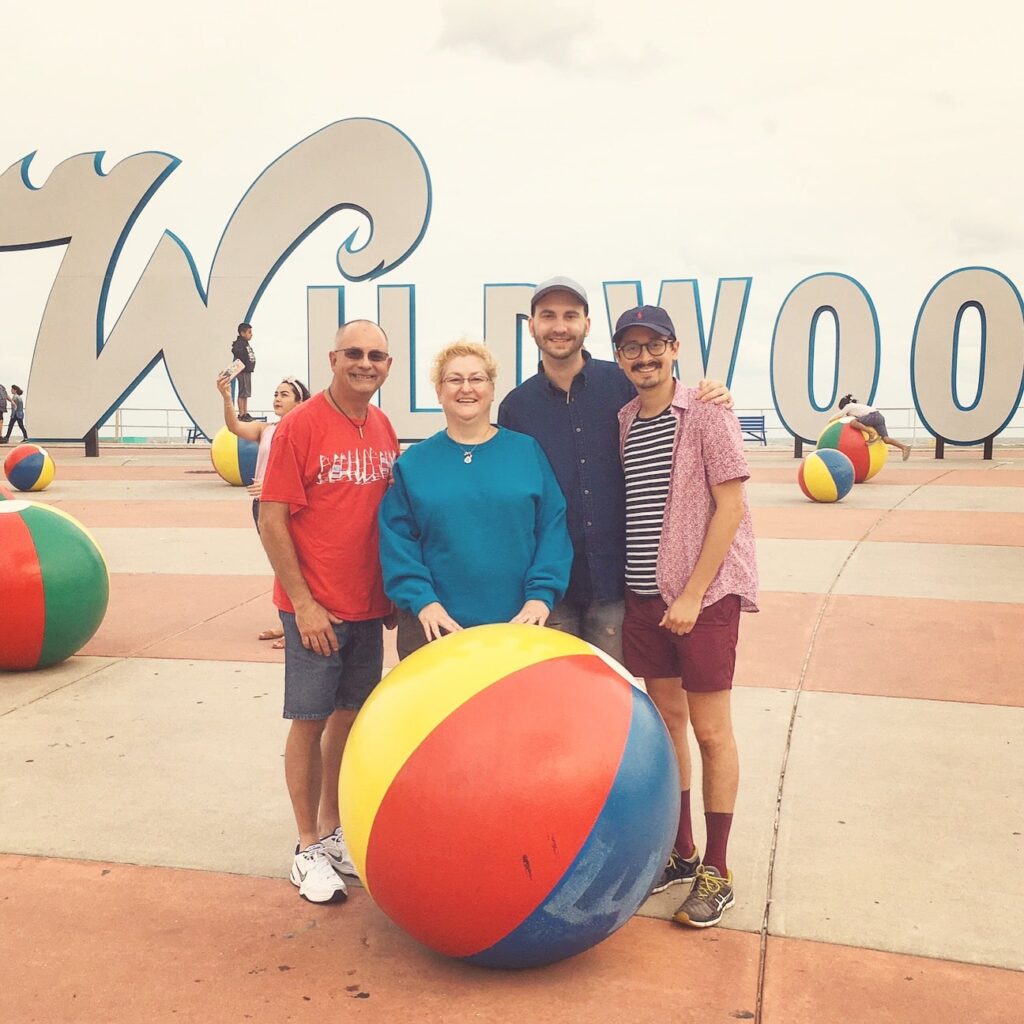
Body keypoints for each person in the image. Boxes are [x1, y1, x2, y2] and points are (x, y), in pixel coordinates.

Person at [613, 304, 758, 929]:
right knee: (668, 725)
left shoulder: (707, 413)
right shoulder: (623, 418)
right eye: (631, 350)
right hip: (645, 598)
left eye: (654, 347)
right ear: (619, 358)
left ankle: (717, 871)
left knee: (711, 732)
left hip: (704, 598)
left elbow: (730, 508)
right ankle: (681, 852)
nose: (644, 358)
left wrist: (694, 594)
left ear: (674, 348)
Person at [497, 277, 733, 662]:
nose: (560, 326)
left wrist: (713, 394)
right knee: (559, 701)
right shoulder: (515, 408)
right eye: (548, 316)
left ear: (587, 325)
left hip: (620, 584)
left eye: (571, 315)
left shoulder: (623, 384)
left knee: (619, 700)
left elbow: (673, 403)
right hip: (551, 589)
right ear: (532, 326)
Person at [258, 320, 400, 904]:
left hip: (367, 606)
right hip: (314, 609)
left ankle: (334, 830)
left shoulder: (384, 426)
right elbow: (271, 519)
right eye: (355, 354)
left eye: (377, 355)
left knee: (348, 718)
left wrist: (389, 594)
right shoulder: (301, 425)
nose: (365, 363)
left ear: (388, 366)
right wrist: (305, 604)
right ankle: (305, 846)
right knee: (310, 720)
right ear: (333, 359)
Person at [379, 340, 572, 659]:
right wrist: (424, 601)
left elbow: (552, 529)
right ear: (439, 391)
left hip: (519, 626)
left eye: (477, 378)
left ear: (492, 389)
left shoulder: (526, 452)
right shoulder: (414, 464)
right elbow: (398, 543)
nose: (466, 388)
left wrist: (540, 597)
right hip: (436, 630)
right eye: (454, 379)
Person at [216, 372, 310, 647]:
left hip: (291, 506)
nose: (277, 399)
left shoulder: (304, 430)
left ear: (300, 401)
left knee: (296, 565)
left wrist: (270, 485)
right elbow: (234, 427)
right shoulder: (265, 429)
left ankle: (296, 626)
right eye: (276, 394)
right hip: (263, 508)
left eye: (284, 394)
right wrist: (225, 396)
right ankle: (288, 623)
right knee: (281, 566)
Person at [833, 393, 912, 460]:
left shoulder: (849, 406)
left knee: (853, 422)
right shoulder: (857, 407)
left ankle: (870, 432)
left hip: (873, 416)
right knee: (886, 439)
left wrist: (830, 420)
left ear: (843, 405)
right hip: (879, 416)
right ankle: (904, 447)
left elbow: (839, 415)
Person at [231, 323, 257, 422]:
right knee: (243, 392)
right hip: (243, 371)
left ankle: (245, 412)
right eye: (249, 332)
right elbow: (237, 352)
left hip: (247, 371)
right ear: (242, 333)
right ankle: (242, 413)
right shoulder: (240, 344)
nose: (251, 334)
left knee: (246, 393)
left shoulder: (246, 344)